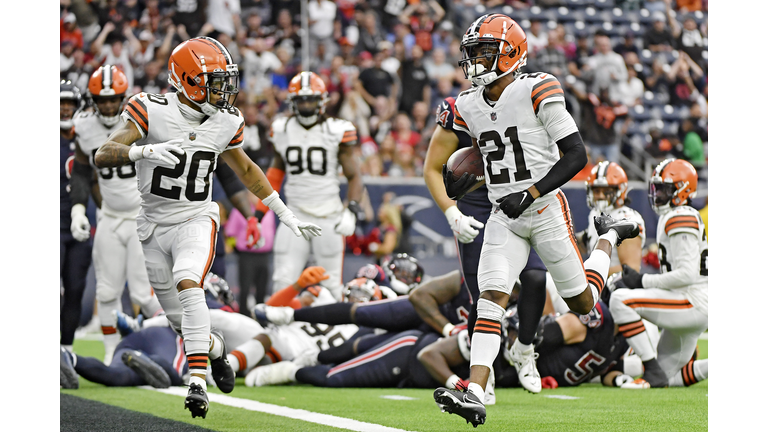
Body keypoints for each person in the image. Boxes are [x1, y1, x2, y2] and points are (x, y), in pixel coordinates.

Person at [93, 36, 322, 419]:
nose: (224, 91)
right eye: (215, 82)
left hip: (196, 217)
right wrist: (142, 150)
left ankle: (197, 382)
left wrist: (284, 213)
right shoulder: (150, 109)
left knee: (189, 279)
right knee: (180, 323)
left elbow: (246, 170)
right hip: (152, 224)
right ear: (187, 80)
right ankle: (214, 350)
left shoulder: (226, 121)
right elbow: (104, 153)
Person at [434, 14, 640, 427]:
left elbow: (577, 155)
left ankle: (608, 238)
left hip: (545, 209)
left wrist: (528, 192)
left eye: (484, 51)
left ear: (511, 53)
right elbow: (484, 151)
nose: (474, 60)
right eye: (471, 53)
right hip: (501, 214)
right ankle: (475, 390)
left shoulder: (537, 88)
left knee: (583, 303)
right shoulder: (468, 104)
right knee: (491, 296)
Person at [424, 89, 550, 404]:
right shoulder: (459, 108)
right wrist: (453, 213)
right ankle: (483, 374)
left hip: (516, 196)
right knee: (482, 296)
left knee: (536, 277)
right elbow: (431, 167)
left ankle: (524, 349)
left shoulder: (525, 100)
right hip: (476, 204)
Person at [70, 65, 164, 366]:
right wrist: (77, 209)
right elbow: (83, 170)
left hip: (142, 215)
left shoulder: (142, 116)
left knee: (143, 292)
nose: (109, 106)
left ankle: (173, 343)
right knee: (107, 290)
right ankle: (112, 351)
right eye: (103, 99)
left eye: (114, 99)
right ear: (92, 99)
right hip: (109, 216)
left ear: (124, 98)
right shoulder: (84, 125)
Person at [255, 71, 364, 301]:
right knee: (282, 280)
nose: (305, 105)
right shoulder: (282, 129)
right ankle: (278, 334)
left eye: (310, 100)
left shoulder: (337, 129)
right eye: (301, 100)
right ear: (292, 102)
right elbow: (274, 175)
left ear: (322, 101)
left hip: (329, 214)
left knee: (331, 285)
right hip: (293, 215)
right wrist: (257, 215)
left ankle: (335, 335)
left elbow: (354, 175)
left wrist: (352, 210)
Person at [610, 158, 708, 388]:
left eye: (664, 188)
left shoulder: (680, 215)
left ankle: (650, 369)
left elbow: (686, 275)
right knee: (668, 378)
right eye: (656, 188)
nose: (658, 194)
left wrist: (642, 281)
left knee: (620, 300)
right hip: (689, 301)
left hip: (691, 301)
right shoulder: (677, 214)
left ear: (683, 190)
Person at [60, 79, 93, 355]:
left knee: (75, 289)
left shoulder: (87, 137)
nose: (65, 110)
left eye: (70, 104)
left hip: (79, 226)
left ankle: (66, 350)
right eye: (61, 104)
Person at [578, 162, 646, 276]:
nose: (600, 196)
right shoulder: (595, 214)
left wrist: (589, 276)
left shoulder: (627, 218)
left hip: (616, 287)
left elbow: (630, 270)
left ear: (620, 190)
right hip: (598, 285)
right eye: (596, 191)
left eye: (607, 191)